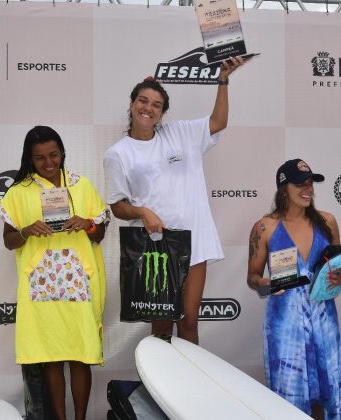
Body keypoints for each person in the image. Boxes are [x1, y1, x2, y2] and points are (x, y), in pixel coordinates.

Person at [103, 57, 246, 344]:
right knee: (163, 326)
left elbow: (218, 121)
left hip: (194, 242)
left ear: (163, 112)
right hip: (157, 247)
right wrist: (142, 211)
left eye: (156, 105)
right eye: (143, 101)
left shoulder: (180, 133)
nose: (148, 108)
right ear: (132, 104)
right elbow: (117, 206)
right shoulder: (117, 154)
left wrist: (223, 79)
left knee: (190, 321)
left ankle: (188, 389)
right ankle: (161, 389)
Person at [0, 126, 109, 420]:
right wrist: (25, 230)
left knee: (81, 355)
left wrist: (89, 224)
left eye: (54, 155)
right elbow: (9, 241)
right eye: (40, 158)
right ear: (29, 159)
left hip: (79, 284)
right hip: (42, 286)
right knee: (52, 359)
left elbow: (99, 235)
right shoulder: (18, 193)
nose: (48, 163)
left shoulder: (81, 185)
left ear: (62, 153)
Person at [246, 158, 341, 420]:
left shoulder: (328, 221)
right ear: (283, 188)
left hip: (323, 320)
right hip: (286, 326)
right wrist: (266, 284)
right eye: (300, 184)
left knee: (327, 395)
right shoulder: (264, 227)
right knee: (289, 398)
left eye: (310, 184)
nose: (308, 189)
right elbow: (252, 277)